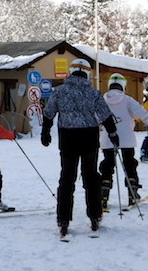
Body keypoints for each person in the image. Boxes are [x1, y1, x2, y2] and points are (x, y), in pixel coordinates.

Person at [41, 58, 119, 238]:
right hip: (89, 137)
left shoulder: (59, 92)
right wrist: (113, 134)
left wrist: (45, 132)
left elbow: (49, 113)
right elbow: (105, 115)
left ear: (70, 72)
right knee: (91, 176)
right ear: (87, 74)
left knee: (67, 177)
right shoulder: (93, 93)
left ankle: (63, 219)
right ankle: (94, 216)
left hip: (68, 137)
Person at [99, 74, 148, 211]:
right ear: (123, 86)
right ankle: (132, 194)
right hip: (127, 139)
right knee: (130, 165)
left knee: (107, 165)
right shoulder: (128, 100)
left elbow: (95, 118)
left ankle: (103, 195)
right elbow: (142, 113)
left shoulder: (102, 100)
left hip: (107, 138)